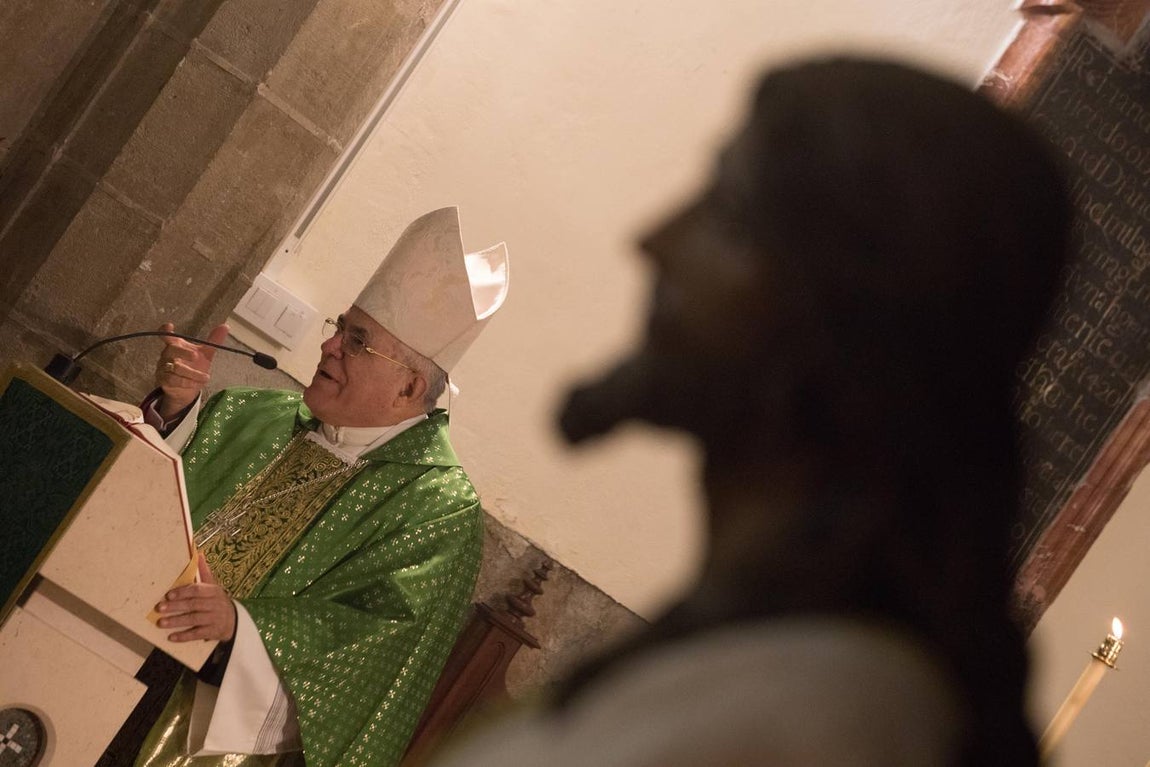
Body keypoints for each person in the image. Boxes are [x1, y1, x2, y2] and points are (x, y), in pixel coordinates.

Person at [429, 58, 1072, 766]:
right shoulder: (766, 654)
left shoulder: (823, 721)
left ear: (854, 325)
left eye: (730, 216)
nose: (655, 240)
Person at [119, 207, 509, 767]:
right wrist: (177, 410)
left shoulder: (437, 510)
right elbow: (150, 499)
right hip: (105, 635)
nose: (329, 347)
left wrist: (240, 625)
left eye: (357, 342)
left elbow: (377, 659)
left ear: (409, 387)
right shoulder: (250, 413)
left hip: (199, 734)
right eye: (339, 329)